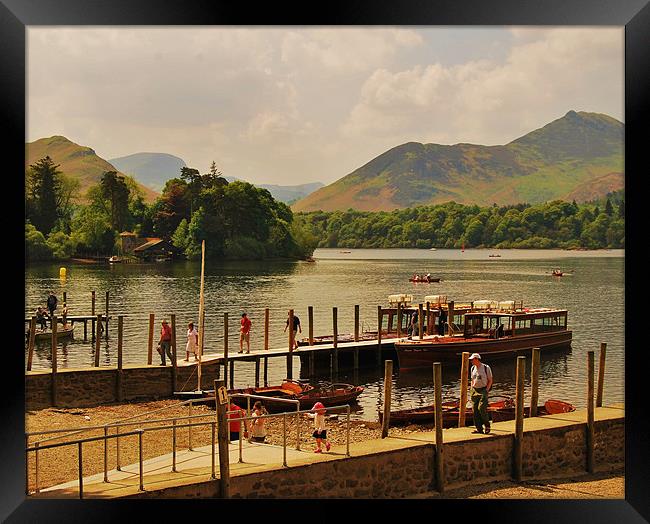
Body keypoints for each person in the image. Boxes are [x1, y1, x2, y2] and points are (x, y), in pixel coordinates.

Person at [469, 352, 493, 434]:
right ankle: (479, 428)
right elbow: (472, 379)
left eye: (472, 359)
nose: (471, 361)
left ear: (476, 359)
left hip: (483, 390)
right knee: (475, 410)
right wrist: (471, 388)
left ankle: (487, 425)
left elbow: (490, 380)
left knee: (482, 408)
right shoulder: (472, 368)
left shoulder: (486, 368)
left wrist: (486, 390)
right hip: (475, 390)